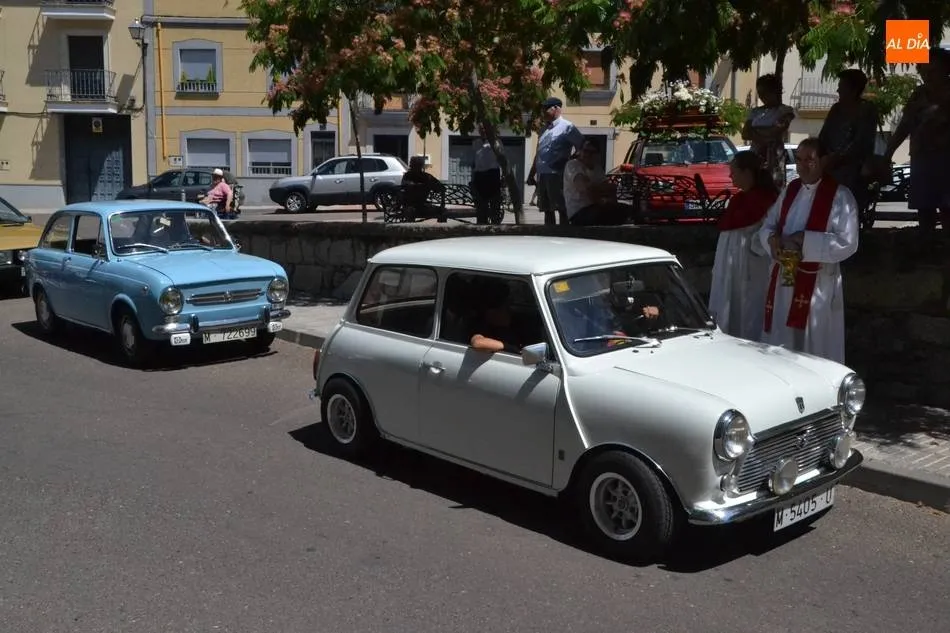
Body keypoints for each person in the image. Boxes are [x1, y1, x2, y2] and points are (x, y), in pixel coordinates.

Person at [756, 137, 859, 364]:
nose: (802, 165)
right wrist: (771, 240)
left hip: (817, 284)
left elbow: (848, 243)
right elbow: (767, 225)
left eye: (809, 159)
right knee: (782, 340)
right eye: (799, 159)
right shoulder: (790, 191)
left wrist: (804, 240)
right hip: (785, 280)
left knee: (815, 344)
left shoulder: (841, 196)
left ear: (824, 160)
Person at [880, 47, 950, 239]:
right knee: (924, 208)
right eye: (923, 71)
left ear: (946, 69)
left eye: (932, 71)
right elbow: (905, 125)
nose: (927, 76)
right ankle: (926, 248)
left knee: (947, 210)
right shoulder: (919, 94)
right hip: (922, 157)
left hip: (946, 159)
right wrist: (888, 153)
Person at [708, 151, 779, 340]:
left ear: (747, 172)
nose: (730, 176)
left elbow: (767, 237)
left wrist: (752, 248)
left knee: (748, 316)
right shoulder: (738, 199)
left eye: (734, 172)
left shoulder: (767, 201)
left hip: (750, 271)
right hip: (729, 269)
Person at [818, 68, 879, 213]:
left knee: (849, 209)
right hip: (830, 168)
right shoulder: (836, 109)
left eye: (842, 86)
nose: (838, 90)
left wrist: (838, 158)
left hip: (853, 170)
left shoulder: (866, 110)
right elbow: (823, 135)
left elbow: (862, 141)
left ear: (853, 89)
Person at [527, 96, 584, 225]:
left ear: (557, 108)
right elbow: (539, 153)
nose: (543, 112)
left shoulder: (567, 127)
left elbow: (582, 146)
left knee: (561, 208)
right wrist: (532, 174)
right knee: (547, 209)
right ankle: (549, 237)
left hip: (557, 175)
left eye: (546, 109)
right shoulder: (543, 130)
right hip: (543, 175)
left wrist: (568, 161)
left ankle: (564, 236)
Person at [742, 73, 796, 189]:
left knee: (773, 189)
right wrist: (767, 134)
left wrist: (755, 131)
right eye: (759, 92)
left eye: (764, 92)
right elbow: (745, 134)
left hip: (774, 157)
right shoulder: (755, 111)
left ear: (774, 91)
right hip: (756, 156)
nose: (761, 96)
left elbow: (776, 130)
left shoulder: (785, 111)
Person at [563, 139, 629, 225]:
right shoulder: (572, 165)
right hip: (579, 212)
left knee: (626, 210)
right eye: (585, 151)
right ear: (580, 151)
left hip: (595, 207)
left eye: (592, 152)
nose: (588, 155)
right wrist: (601, 194)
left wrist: (599, 191)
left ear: (597, 155)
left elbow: (610, 189)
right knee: (608, 213)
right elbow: (585, 188)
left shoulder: (597, 168)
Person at [471, 131, 503, 224]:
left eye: (485, 129)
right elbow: (474, 163)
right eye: (481, 129)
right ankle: (481, 228)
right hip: (479, 176)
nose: (483, 131)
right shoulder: (476, 143)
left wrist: (503, 177)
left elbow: (502, 160)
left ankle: (495, 227)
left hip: (492, 175)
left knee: (494, 205)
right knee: (481, 206)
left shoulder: (497, 142)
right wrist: (472, 180)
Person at [401, 155, 444, 220]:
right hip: (414, 205)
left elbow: (439, 187)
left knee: (442, 211)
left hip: (417, 205)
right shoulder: (424, 176)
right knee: (442, 211)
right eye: (412, 165)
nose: (410, 166)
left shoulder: (425, 177)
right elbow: (441, 188)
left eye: (412, 165)